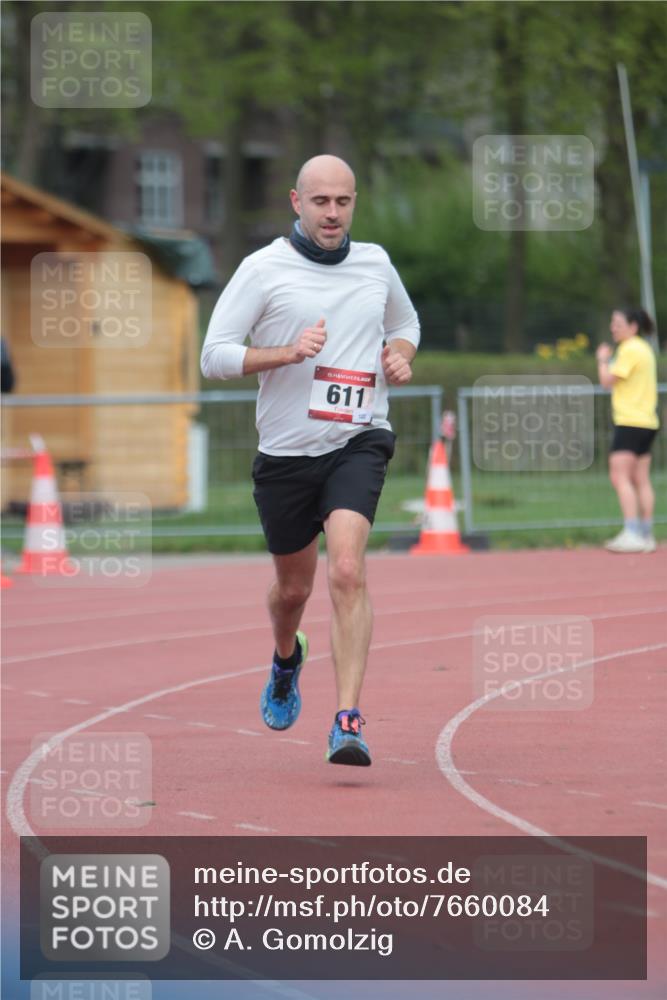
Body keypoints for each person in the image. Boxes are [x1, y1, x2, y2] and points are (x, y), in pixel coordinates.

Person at [201, 155, 420, 765]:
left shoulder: (375, 263)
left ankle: (347, 718)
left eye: (342, 202)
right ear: (296, 202)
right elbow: (214, 356)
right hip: (286, 455)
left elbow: (406, 322)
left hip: (358, 438)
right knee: (291, 591)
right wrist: (286, 354)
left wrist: (399, 354)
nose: (332, 213)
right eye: (320, 202)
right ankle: (285, 657)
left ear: (354, 203)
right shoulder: (263, 268)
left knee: (347, 570)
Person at [596, 307, 659, 553]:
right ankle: (645, 533)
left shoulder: (630, 349)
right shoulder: (644, 349)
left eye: (618, 323)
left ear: (633, 327)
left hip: (630, 421)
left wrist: (602, 359)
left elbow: (606, 381)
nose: (613, 327)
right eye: (612, 323)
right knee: (640, 479)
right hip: (647, 421)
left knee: (619, 476)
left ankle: (632, 532)